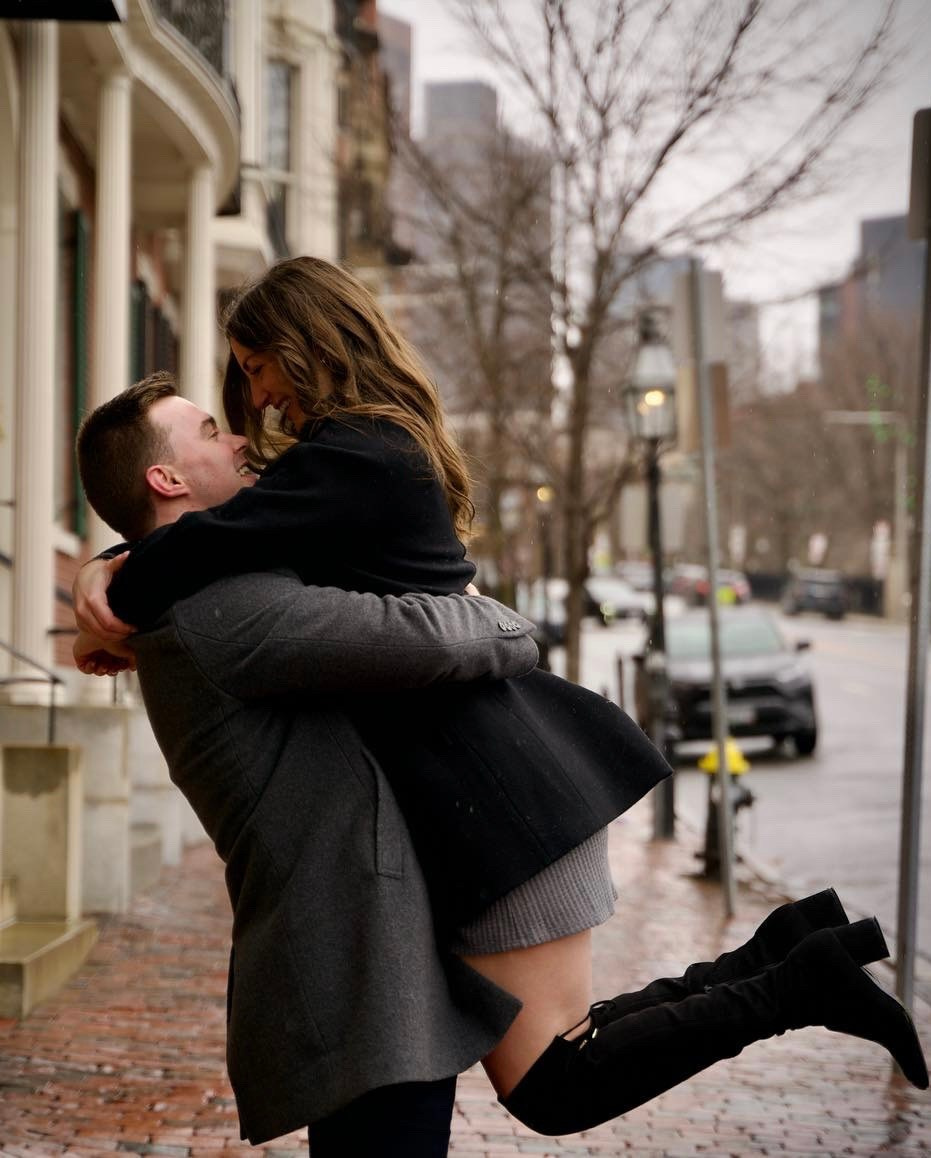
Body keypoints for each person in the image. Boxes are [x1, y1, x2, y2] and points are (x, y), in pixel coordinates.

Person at [75, 261, 928, 1149]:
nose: (248, 424)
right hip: (485, 791)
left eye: (252, 372)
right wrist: (113, 569)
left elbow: (432, 630)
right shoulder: (283, 533)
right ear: (170, 481)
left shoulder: (338, 472)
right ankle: (789, 960)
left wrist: (114, 580)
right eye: (218, 423)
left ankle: (795, 979)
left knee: (559, 1080)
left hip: (493, 787)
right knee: (566, 1062)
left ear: (303, 344)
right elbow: (220, 548)